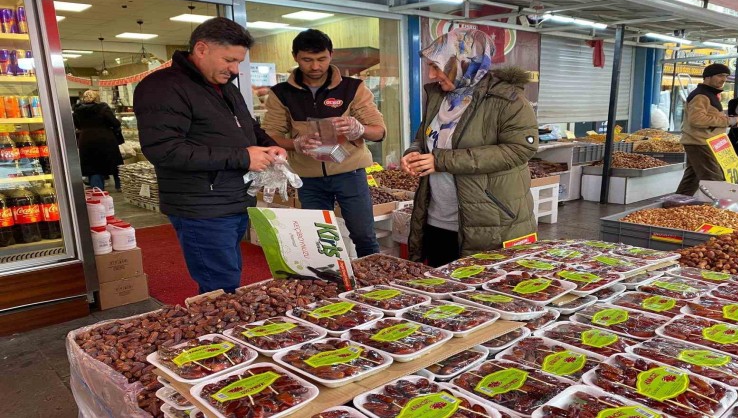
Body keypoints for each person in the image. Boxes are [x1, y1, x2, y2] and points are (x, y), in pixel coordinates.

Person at [134, 17, 286, 294]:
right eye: (229, 60)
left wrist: (268, 144)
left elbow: (248, 126)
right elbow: (165, 150)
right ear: (202, 49)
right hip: (201, 205)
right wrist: (243, 157)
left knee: (229, 275)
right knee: (220, 285)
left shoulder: (224, 87)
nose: (235, 69)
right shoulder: (163, 87)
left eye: (239, 62)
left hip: (232, 198)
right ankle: (216, 335)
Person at [401, 29, 539, 267]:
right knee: (441, 291)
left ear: (464, 62)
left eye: (438, 66)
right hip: (438, 218)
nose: (431, 74)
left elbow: (519, 149)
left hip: (491, 219)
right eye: (430, 66)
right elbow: (425, 136)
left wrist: (441, 161)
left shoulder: (507, 100)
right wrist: (413, 152)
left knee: (484, 294)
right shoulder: (439, 97)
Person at [263, 29, 386, 257]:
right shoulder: (281, 94)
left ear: (331, 55)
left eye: (321, 59)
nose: (315, 67)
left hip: (350, 173)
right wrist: (296, 144)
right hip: (308, 179)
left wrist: (359, 129)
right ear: (295, 57)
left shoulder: (353, 88)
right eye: (307, 60)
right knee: (320, 238)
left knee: (364, 235)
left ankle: (370, 284)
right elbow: (270, 136)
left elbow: (379, 131)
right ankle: (330, 282)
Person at [676, 63, 738, 195]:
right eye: (720, 75)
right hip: (700, 143)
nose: (724, 79)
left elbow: (709, 116)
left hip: (705, 142)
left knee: (692, 178)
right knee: (714, 179)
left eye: (726, 76)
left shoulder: (708, 94)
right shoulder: (701, 96)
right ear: (707, 77)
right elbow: (697, 120)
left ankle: (676, 204)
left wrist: (732, 118)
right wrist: (730, 121)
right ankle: (717, 212)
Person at [73, 89, 123, 191]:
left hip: (86, 140)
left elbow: (77, 125)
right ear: (97, 98)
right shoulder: (103, 108)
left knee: (93, 167)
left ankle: (97, 190)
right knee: (114, 163)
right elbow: (115, 123)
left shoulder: (77, 111)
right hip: (105, 139)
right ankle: (120, 186)